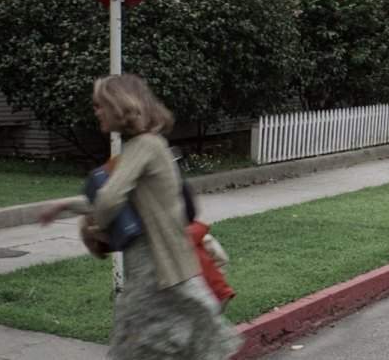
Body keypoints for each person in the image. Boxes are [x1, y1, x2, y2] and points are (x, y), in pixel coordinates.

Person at [39, 74, 242, 359]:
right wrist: (63, 206)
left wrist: (98, 227)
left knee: (136, 346)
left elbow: (109, 199)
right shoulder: (151, 145)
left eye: (100, 105)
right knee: (170, 345)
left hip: (153, 269)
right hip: (169, 267)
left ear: (121, 105)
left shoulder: (143, 146)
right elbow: (112, 199)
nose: (96, 111)